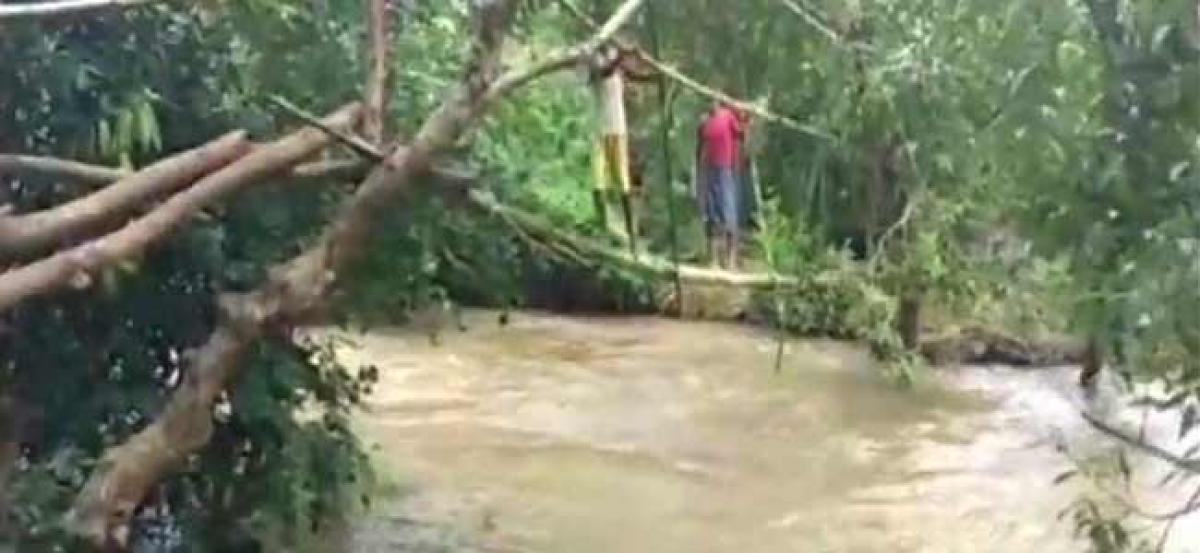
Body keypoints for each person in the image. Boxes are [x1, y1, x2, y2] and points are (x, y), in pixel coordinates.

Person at [586, 43, 654, 248]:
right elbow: (605, 71)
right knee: (598, 181)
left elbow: (630, 74)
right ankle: (603, 228)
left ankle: (630, 233)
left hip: (618, 129)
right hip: (599, 129)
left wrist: (654, 77)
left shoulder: (616, 60)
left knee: (623, 180)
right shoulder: (594, 60)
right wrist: (622, 56)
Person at [697, 101, 746, 269]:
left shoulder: (728, 117)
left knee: (728, 214)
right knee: (711, 216)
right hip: (710, 171)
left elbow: (741, 134)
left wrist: (746, 121)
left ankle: (731, 260)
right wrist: (700, 175)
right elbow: (700, 149)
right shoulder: (706, 122)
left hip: (726, 170)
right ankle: (713, 259)